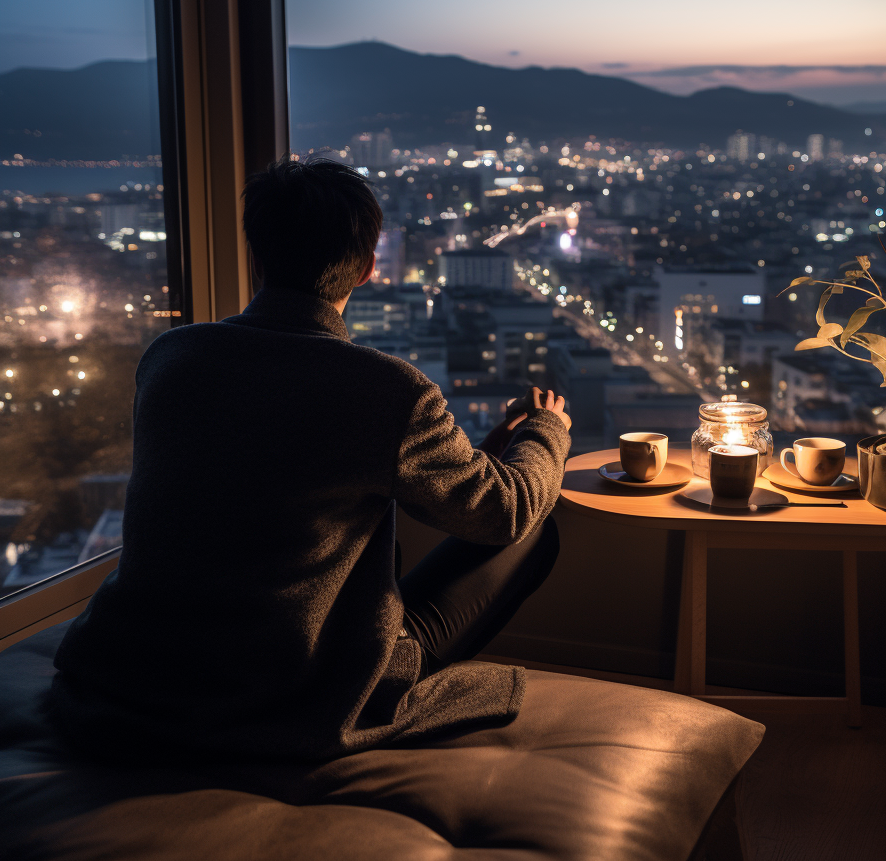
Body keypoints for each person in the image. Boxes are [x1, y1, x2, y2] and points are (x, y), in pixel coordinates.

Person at [49, 157, 571, 762]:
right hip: (286, 685)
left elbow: (282, 466)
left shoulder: (171, 357)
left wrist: (477, 454)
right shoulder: (386, 389)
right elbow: (504, 513)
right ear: (370, 266)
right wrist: (546, 430)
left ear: (257, 255)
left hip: (135, 671)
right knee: (535, 532)